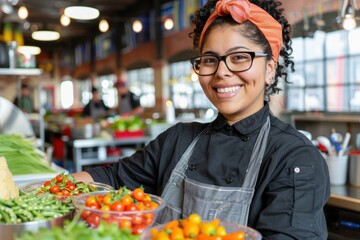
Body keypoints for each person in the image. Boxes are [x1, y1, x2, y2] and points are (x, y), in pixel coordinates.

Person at [72, 0, 330, 238]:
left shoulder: (294, 158)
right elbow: (112, 179)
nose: (221, 72)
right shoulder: (177, 139)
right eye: (210, 60)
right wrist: (49, 189)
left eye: (239, 57)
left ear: (270, 69)